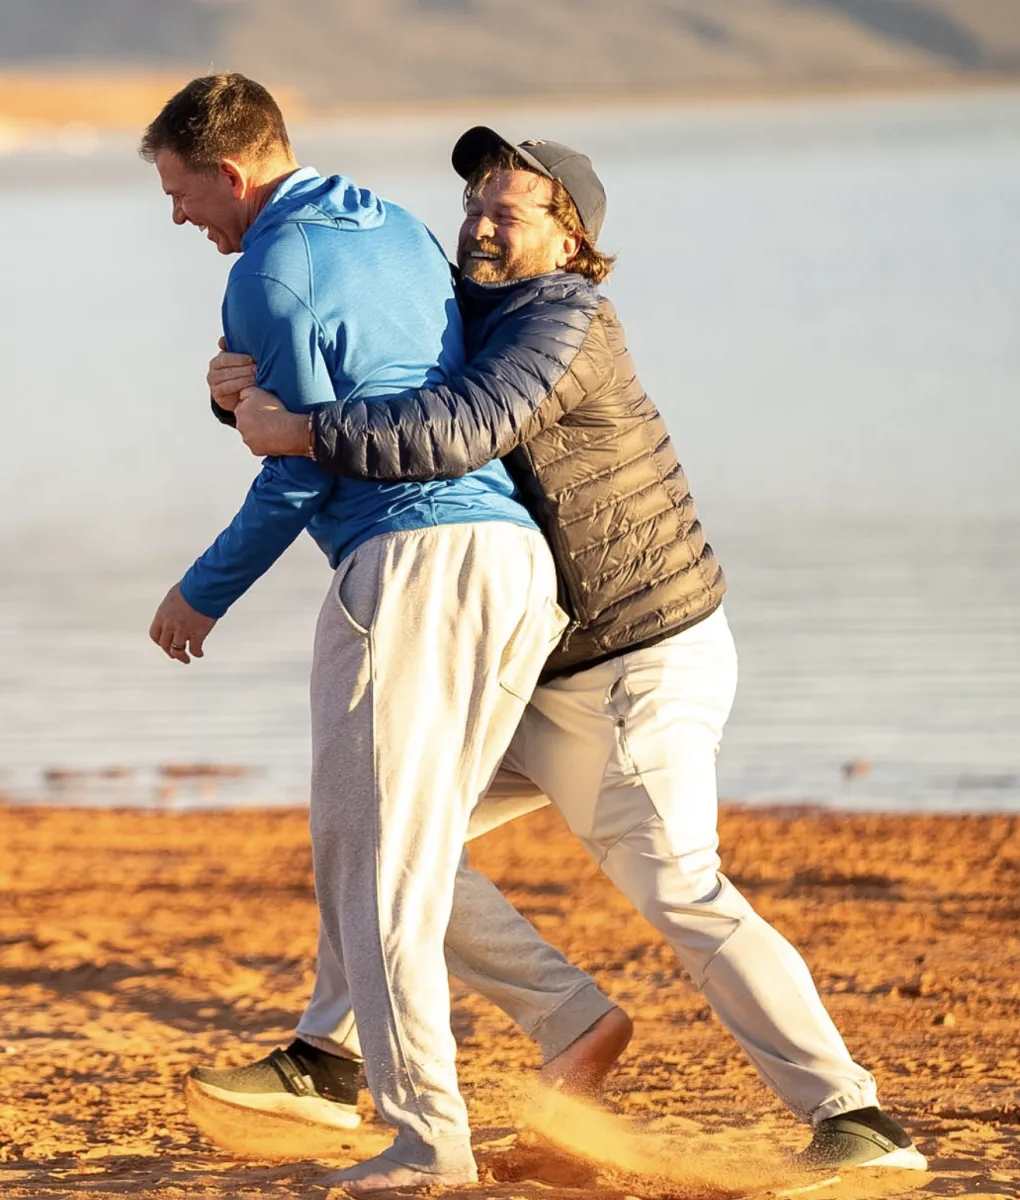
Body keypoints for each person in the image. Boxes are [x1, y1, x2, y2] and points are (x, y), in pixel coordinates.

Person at [200, 126, 927, 1177]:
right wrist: (236, 389)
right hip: (537, 664)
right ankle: (375, 1051)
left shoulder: (568, 321)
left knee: (682, 891)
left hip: (638, 660)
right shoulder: (464, 310)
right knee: (386, 840)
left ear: (572, 238)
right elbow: (359, 362)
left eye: (507, 211)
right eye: (473, 206)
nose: (479, 226)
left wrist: (298, 431)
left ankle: (856, 1119)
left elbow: (457, 429)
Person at [140, 77, 571, 1193]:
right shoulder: (392, 224)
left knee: (373, 866)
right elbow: (362, 388)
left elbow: (297, 467)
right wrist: (234, 400)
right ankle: (550, 1020)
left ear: (230, 173)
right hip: (514, 562)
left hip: (410, 570)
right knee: (396, 853)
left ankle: (428, 1143)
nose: (179, 216)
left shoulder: (266, 270)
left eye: (181, 193)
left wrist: (201, 592)